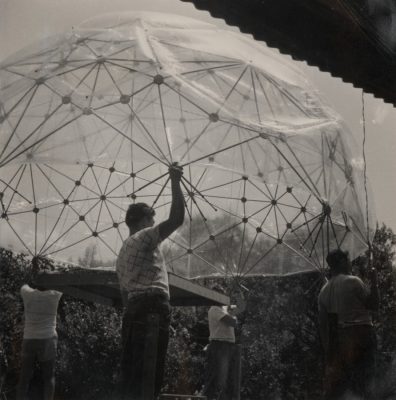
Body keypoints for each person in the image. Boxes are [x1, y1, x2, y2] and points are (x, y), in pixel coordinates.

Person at [116, 164, 184, 400]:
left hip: (133, 312)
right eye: (150, 218)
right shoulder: (143, 237)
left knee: (132, 377)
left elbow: (125, 296)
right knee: (150, 377)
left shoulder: (121, 254)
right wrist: (175, 181)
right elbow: (176, 219)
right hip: (152, 307)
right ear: (141, 220)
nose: (152, 222)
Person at [318, 249, 379, 400]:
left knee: (348, 385)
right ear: (342, 262)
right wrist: (374, 281)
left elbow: (324, 328)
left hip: (342, 341)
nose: (350, 263)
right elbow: (374, 305)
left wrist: (329, 354)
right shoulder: (353, 281)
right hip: (363, 334)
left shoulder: (323, 292)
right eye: (348, 260)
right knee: (366, 381)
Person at [16, 259, 62, 400]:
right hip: (48, 339)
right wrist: (50, 268)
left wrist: (34, 266)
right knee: (48, 377)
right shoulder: (55, 294)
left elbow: (24, 282)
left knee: (24, 378)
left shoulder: (27, 293)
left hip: (29, 339)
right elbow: (61, 280)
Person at [203, 287, 245, 400]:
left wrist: (239, 294)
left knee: (228, 380)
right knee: (216, 380)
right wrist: (232, 313)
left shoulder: (225, 309)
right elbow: (232, 322)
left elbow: (241, 307)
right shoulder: (214, 309)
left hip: (228, 346)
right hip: (218, 346)